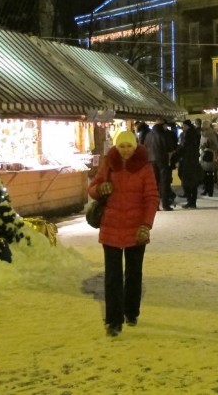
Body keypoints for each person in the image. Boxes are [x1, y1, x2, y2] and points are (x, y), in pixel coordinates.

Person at [88, 131, 159, 337]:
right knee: (113, 276)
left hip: (136, 229)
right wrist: (101, 188)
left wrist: (146, 224)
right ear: (116, 147)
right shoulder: (109, 164)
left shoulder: (145, 168)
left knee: (134, 273)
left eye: (129, 146)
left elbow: (152, 198)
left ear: (135, 147)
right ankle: (113, 320)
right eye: (121, 146)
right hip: (111, 227)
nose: (125, 150)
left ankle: (131, 311)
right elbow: (92, 189)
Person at [143, 118, 176, 210]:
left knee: (154, 183)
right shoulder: (164, 134)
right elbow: (171, 148)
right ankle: (165, 204)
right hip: (163, 160)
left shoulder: (148, 135)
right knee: (164, 182)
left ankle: (155, 205)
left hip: (151, 161)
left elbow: (144, 147)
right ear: (163, 125)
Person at [177, 120, 202, 208]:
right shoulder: (194, 134)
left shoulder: (188, 135)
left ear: (186, 126)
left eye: (184, 126)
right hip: (193, 161)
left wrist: (178, 152)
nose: (183, 128)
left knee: (186, 182)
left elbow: (185, 148)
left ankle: (190, 200)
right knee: (192, 183)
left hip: (188, 162)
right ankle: (192, 202)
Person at [199, 121, 218, 197]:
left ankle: (210, 191)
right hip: (204, 155)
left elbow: (217, 146)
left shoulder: (212, 135)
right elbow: (200, 145)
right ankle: (206, 189)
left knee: (210, 175)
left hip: (210, 156)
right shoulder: (202, 135)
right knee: (204, 174)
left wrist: (209, 146)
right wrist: (202, 147)